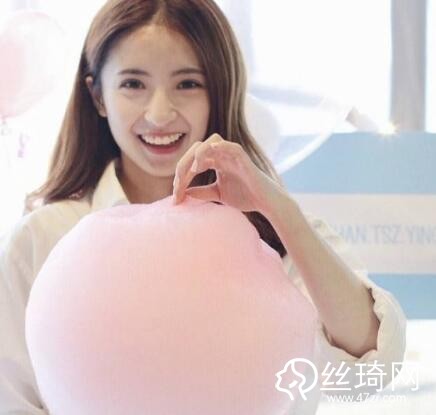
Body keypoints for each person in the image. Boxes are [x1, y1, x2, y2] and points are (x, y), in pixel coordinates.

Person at [0, 0, 406, 413]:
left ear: (219, 90)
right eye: (133, 84)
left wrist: (277, 211)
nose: (159, 113)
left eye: (188, 84)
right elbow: (13, 398)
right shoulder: (42, 238)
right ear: (98, 95)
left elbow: (370, 366)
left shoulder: (273, 234)